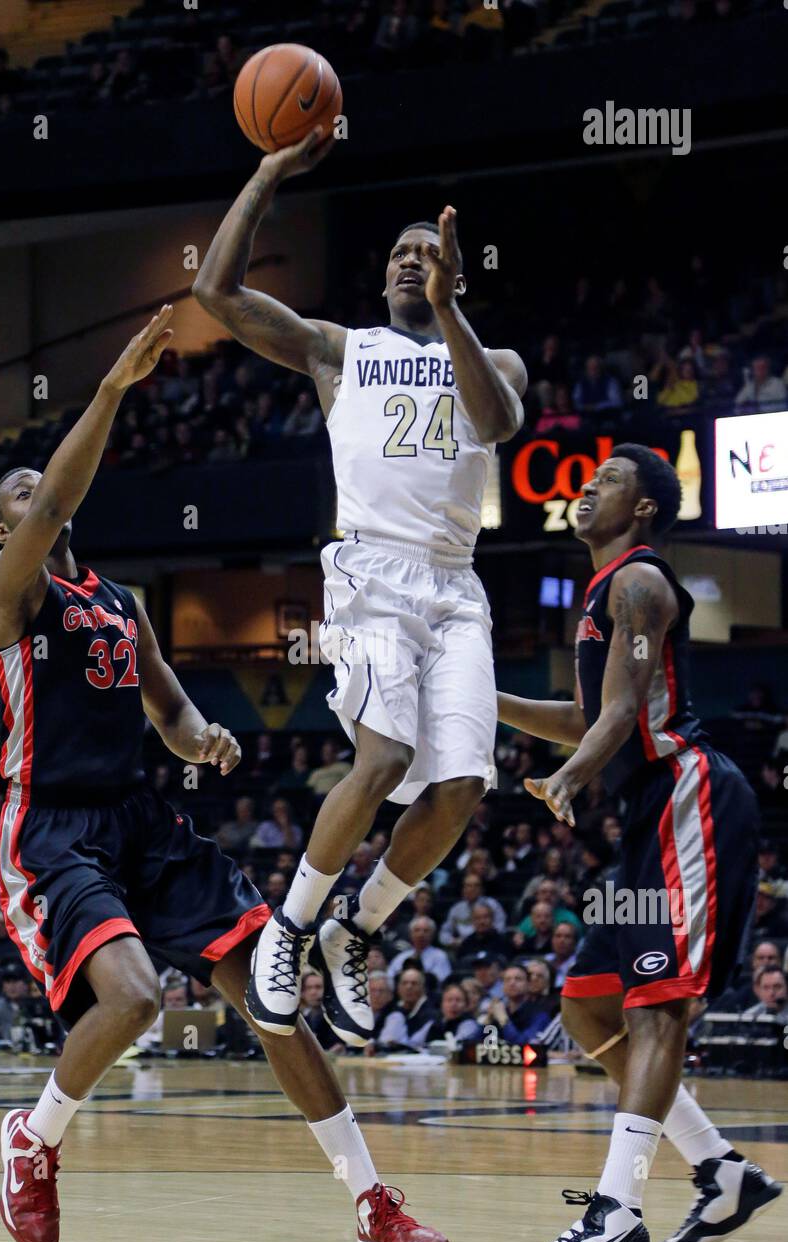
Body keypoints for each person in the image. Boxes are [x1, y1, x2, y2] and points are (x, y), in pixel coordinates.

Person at [0, 309, 448, 1242]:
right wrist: (112, 386)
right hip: (54, 834)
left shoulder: (120, 604)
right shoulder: (8, 595)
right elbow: (62, 496)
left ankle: (371, 1203)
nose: (41, 499)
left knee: (273, 1004)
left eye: (41, 488)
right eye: (23, 493)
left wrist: (209, 740)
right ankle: (36, 1139)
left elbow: (173, 714)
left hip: (144, 825)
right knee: (137, 999)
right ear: (3, 528)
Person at [192, 129, 526, 1048]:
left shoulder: (491, 360)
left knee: (460, 786)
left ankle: (355, 926)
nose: (413, 264)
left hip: (455, 585)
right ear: (382, 279)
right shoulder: (341, 350)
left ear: (454, 274)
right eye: (400, 255)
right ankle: (290, 929)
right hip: (372, 572)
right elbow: (214, 295)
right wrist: (263, 172)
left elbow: (495, 424)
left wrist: (454, 309)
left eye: (430, 254)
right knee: (380, 761)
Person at [497, 443, 781, 1242]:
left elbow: (617, 716)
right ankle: (722, 1171)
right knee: (588, 1006)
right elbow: (588, 710)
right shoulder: (603, 594)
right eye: (586, 482)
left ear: (647, 507)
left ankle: (615, 1214)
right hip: (644, 819)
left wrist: (570, 777)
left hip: (686, 799)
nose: (587, 490)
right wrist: (487, 699)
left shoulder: (641, 583)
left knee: (659, 1009)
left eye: (608, 482)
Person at [387, 916, 451, 985]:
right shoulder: (401, 957)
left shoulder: (440, 956)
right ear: (410, 934)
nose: (421, 934)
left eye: (426, 931)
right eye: (417, 930)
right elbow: (389, 979)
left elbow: (443, 980)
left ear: (432, 934)